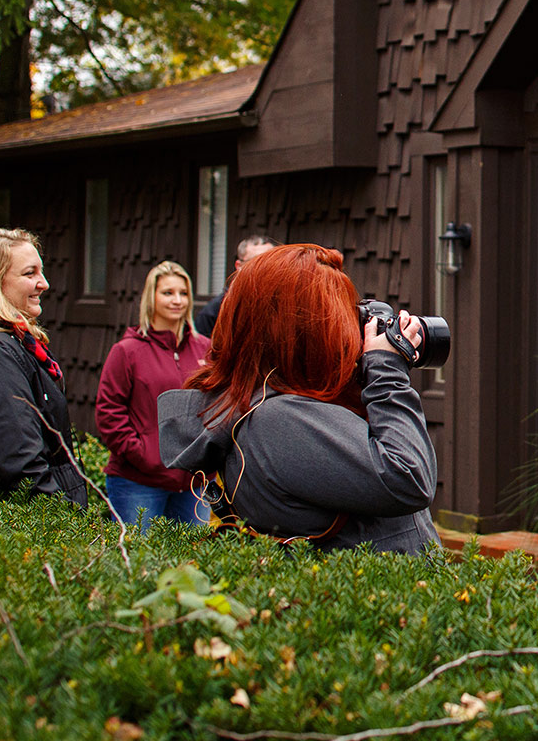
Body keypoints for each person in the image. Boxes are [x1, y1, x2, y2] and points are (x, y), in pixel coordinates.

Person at [158, 243, 438, 554]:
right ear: (299, 332)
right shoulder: (275, 422)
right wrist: (386, 371)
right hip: (371, 584)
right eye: (337, 314)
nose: (348, 326)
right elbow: (408, 477)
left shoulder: (279, 403)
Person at [0, 229, 87, 507]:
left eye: (41, 271)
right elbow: (21, 466)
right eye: (30, 273)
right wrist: (66, 522)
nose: (44, 284)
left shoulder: (10, 342)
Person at [94, 260, 212, 530]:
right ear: (152, 297)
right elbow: (109, 412)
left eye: (183, 293)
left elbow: (217, 404)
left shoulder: (205, 349)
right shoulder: (127, 351)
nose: (177, 300)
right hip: (138, 483)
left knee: (192, 555)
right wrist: (145, 456)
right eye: (168, 293)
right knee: (138, 555)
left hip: (193, 484)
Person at [194, 234, 278, 337]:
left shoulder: (285, 303)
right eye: (255, 261)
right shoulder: (215, 311)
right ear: (239, 266)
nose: (263, 267)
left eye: (269, 260)